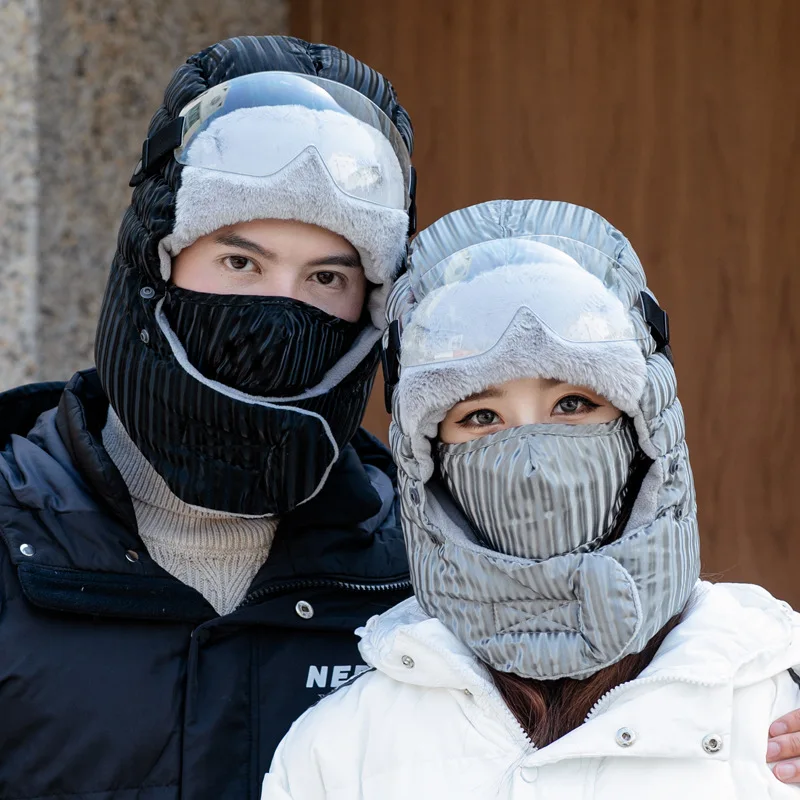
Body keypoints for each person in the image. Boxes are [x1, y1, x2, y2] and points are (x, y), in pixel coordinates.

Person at [263, 199, 800, 799]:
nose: (533, 458)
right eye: (481, 416)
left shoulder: (777, 697)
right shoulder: (343, 751)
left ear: (644, 430)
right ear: (428, 461)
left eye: (572, 404)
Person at [0, 35, 414, 799]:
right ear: (156, 260)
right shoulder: (12, 531)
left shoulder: (416, 581)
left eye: (326, 277)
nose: (281, 308)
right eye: (240, 262)